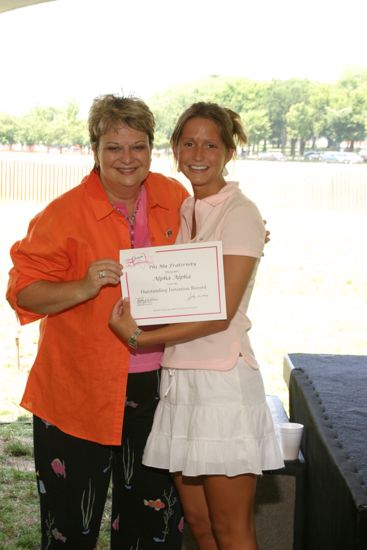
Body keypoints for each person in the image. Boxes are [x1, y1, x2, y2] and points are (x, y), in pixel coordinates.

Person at [6, 94, 189, 549]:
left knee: (154, 527)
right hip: (77, 394)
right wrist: (82, 287)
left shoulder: (174, 197)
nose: (127, 159)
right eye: (114, 147)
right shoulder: (63, 213)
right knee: (72, 527)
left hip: (158, 391)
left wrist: (247, 232)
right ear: (95, 150)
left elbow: (208, 251)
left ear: (151, 149)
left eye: (138, 146)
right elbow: (21, 290)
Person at [109, 101, 284, 550]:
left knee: (232, 530)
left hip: (222, 387)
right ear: (175, 149)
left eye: (211, 144)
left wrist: (138, 337)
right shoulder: (187, 208)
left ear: (229, 151)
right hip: (181, 383)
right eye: (188, 143)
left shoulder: (241, 212)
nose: (198, 153)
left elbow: (218, 314)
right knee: (201, 527)